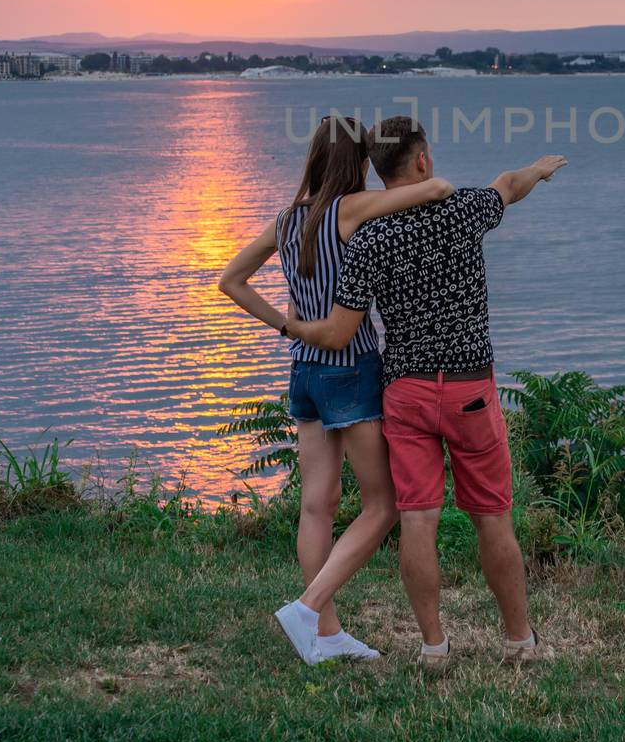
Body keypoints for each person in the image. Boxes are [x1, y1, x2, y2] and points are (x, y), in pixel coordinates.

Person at [285, 115, 566, 669]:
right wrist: (538, 169)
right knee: (492, 517)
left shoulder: (367, 238)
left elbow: (341, 328)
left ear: (377, 170)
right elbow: (508, 184)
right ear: (422, 160)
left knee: (417, 518)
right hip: (468, 390)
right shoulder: (461, 210)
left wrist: (290, 325)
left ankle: (433, 647)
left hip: (404, 394)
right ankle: (518, 641)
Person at [217, 114, 454, 664]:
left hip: (303, 371)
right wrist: (414, 172)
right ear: (356, 161)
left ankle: (324, 635)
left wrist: (285, 325)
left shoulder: (286, 219)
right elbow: (435, 189)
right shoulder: (349, 210)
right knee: (384, 504)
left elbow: (230, 280)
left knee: (317, 505)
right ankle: (307, 609)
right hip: (350, 369)